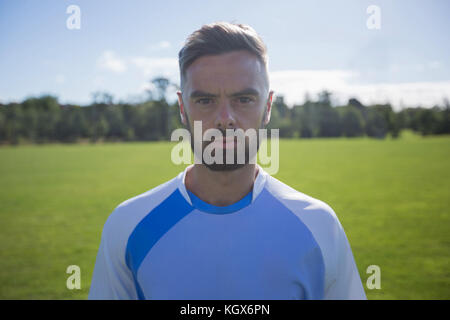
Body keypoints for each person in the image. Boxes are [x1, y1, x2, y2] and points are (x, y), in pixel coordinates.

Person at [88, 21, 367, 300]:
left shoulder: (319, 226)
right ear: (183, 108)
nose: (225, 119)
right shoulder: (128, 226)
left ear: (267, 107)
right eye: (205, 101)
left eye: (243, 99)